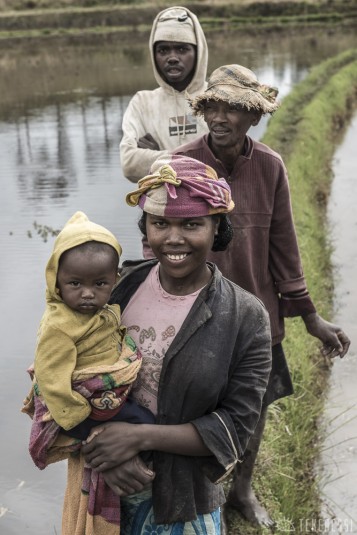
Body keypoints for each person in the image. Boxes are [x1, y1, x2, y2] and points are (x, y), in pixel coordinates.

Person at [172, 64, 351, 529]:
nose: (221, 117)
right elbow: (159, 243)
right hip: (198, 315)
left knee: (252, 410)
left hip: (258, 318)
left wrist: (312, 319)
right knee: (198, 408)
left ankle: (242, 492)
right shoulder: (182, 165)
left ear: (253, 117)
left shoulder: (270, 166)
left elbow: (284, 247)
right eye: (213, 106)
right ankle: (202, 491)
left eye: (234, 108)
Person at [62, 155, 273, 535]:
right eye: (160, 224)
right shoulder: (116, 289)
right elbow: (57, 374)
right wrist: (102, 445)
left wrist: (139, 436)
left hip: (184, 500)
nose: (173, 239)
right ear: (146, 228)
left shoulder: (245, 317)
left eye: (192, 224)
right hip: (100, 487)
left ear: (217, 229)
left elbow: (236, 428)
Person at [22, 211, 154, 532]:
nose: (87, 293)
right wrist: (81, 418)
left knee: (147, 426)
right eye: (75, 283)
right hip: (81, 410)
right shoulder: (59, 325)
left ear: (114, 280)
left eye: (100, 284)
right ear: (57, 281)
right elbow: (52, 381)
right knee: (146, 428)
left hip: (102, 397)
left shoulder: (103, 311)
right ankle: (136, 476)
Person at [119, 6, 209, 183]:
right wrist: (198, 158)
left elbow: (228, 160)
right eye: (163, 50)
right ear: (154, 55)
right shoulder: (142, 103)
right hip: (159, 208)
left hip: (213, 207)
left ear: (198, 53)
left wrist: (157, 156)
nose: (172, 57)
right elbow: (129, 164)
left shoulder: (217, 98)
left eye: (182, 49)